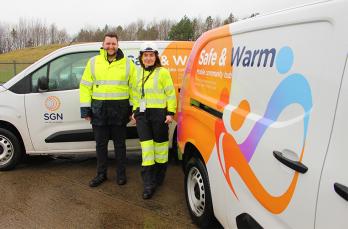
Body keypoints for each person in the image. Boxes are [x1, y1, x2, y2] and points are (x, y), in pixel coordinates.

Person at [80, 33, 136, 187]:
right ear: (103, 44)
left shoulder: (128, 64)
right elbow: (85, 87)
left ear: (118, 45)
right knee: (100, 146)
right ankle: (101, 174)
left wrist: (134, 110)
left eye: (113, 44)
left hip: (120, 111)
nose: (111, 46)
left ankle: (121, 175)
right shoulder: (93, 62)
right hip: (99, 111)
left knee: (120, 146)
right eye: (108, 43)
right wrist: (85, 110)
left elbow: (134, 89)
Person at [131, 41, 177, 199]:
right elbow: (135, 95)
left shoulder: (163, 72)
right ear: (141, 57)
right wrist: (135, 111)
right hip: (143, 116)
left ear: (156, 57)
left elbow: (170, 93)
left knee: (161, 150)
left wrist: (170, 113)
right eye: (146, 55)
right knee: (147, 150)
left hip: (160, 116)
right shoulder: (137, 73)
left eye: (151, 55)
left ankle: (159, 177)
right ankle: (148, 184)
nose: (148, 58)